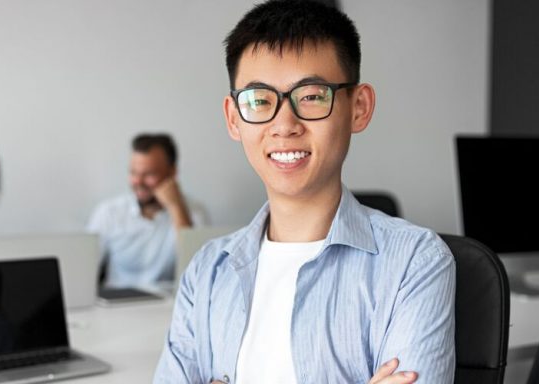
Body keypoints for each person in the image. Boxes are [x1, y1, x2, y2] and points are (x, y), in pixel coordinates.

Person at [154, 1, 455, 384]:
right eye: (259, 100)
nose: (284, 125)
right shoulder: (206, 272)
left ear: (359, 107)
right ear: (234, 118)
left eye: (311, 96)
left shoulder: (415, 262)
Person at [87, 133, 208, 289]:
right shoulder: (109, 212)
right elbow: (84, 271)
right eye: (133, 173)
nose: (138, 182)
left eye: (149, 174)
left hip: (166, 302)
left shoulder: (194, 212)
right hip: (117, 300)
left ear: (172, 173)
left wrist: (176, 208)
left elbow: (198, 272)